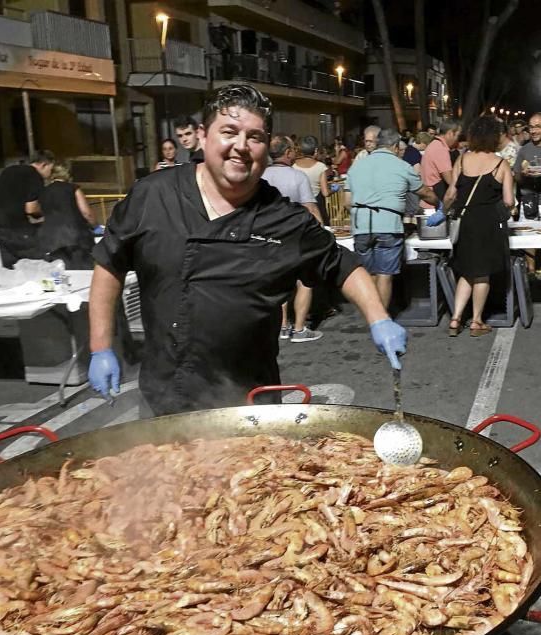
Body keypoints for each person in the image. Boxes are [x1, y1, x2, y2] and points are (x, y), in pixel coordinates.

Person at [87, 83, 406, 413]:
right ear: (203, 135)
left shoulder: (284, 218)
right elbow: (110, 263)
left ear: (266, 147)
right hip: (166, 395)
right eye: (229, 131)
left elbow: (342, 265)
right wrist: (100, 347)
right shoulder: (152, 196)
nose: (241, 146)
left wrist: (378, 317)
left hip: (252, 400)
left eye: (255, 137)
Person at [345, 128, 439, 309]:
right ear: (395, 147)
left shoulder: (357, 166)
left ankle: (372, 314)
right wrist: (438, 203)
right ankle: (381, 317)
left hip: (361, 226)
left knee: (369, 273)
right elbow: (425, 193)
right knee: (384, 274)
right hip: (389, 225)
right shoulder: (401, 166)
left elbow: (347, 202)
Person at [439, 116, 514, 337]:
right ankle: (476, 321)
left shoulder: (462, 159)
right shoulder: (501, 164)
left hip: (465, 222)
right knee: (482, 275)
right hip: (488, 223)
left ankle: (455, 319)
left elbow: (451, 193)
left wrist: (443, 212)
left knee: (467, 271)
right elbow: (509, 201)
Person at [261, 133, 323, 342]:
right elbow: (310, 207)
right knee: (304, 281)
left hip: (268, 237)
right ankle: (299, 329)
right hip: (296, 236)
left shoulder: (261, 176)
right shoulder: (297, 177)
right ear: (287, 153)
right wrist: (322, 230)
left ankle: (283, 326)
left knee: (279, 282)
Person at [0, 150, 55, 268]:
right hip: (13, 227)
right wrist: (45, 213)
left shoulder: (10, 170)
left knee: (9, 264)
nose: (50, 174)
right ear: (44, 165)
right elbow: (31, 209)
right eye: (50, 170)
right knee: (41, 255)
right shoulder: (34, 176)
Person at [37, 164, 96, 269]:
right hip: (76, 237)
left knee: (64, 273)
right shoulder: (73, 188)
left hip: (51, 240)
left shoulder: (43, 192)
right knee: (83, 272)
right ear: (67, 175)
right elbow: (86, 213)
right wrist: (94, 225)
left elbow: (42, 213)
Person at [420, 119, 461, 203]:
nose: (457, 140)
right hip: (435, 201)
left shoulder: (435, 144)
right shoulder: (440, 149)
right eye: (457, 135)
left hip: (430, 197)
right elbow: (450, 180)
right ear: (450, 133)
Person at [293, 135, 328, 224]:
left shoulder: (294, 165)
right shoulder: (321, 166)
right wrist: (334, 190)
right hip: (316, 204)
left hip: (299, 204)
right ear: (316, 150)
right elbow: (325, 192)